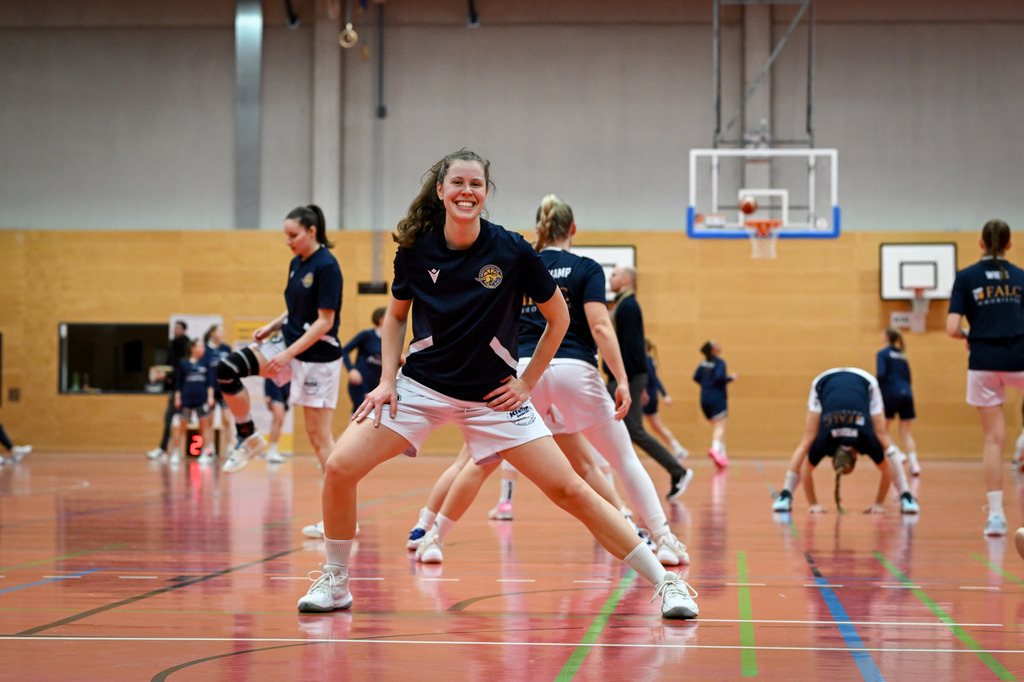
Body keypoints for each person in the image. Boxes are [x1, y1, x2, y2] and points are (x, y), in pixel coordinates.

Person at [296, 150, 697, 619]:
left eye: (476, 184)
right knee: (341, 467)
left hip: (493, 398)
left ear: (485, 193)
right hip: (422, 388)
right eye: (458, 183)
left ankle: (667, 583)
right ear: (442, 191)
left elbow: (560, 318)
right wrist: (387, 381)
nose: (467, 191)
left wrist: (527, 383)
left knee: (571, 489)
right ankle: (337, 582)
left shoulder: (511, 250)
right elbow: (395, 318)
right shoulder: (416, 249)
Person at [409, 194, 692, 567]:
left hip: (525, 371)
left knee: (481, 461)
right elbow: (601, 326)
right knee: (623, 458)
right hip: (576, 369)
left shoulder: (520, 264)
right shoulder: (587, 267)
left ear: (539, 229)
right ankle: (665, 539)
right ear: (573, 229)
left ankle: (433, 539)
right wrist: (620, 379)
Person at [215, 205, 343, 539]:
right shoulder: (296, 262)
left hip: (317, 357)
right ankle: (249, 436)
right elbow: (297, 306)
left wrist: (286, 355)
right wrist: (273, 324)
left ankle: (341, 518)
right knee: (227, 369)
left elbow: (324, 320)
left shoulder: (328, 265)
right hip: (287, 342)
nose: (287, 241)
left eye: (293, 235)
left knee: (319, 439)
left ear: (311, 231)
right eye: (285, 235)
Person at [946, 219, 1024, 537]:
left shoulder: (966, 278)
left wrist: (969, 334)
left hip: (983, 362)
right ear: (1009, 244)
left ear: (981, 243)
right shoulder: (1021, 277)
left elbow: (952, 328)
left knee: (993, 440)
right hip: (1020, 357)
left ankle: (995, 516)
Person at [770, 367, 920, 515]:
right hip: (835, 380)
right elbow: (888, 471)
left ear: (854, 457)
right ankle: (906, 494)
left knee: (807, 441)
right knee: (883, 437)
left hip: (845, 380)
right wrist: (877, 504)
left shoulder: (860, 441)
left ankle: (786, 494)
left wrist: (814, 504)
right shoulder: (829, 441)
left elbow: (805, 470)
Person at [606, 265, 693, 499]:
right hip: (626, 376)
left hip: (626, 376)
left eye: (614, 274)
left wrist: (631, 382)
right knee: (613, 428)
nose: (610, 278)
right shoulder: (622, 305)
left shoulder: (629, 306)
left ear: (626, 280)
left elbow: (634, 348)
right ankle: (616, 484)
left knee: (632, 429)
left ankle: (677, 471)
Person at [876, 327, 920, 476]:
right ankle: (914, 464)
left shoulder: (882, 354)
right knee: (906, 431)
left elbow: (881, 374)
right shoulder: (903, 355)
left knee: (882, 429)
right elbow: (909, 377)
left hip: (890, 393)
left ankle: (899, 455)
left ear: (886, 337)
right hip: (907, 393)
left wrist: (875, 389)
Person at [146, 320, 191, 460]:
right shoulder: (172, 345)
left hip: (184, 391)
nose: (175, 330)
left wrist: (168, 375)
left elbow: (179, 369)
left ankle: (175, 451)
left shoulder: (185, 347)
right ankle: (164, 449)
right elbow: (169, 367)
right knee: (168, 420)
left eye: (178, 328)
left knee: (185, 422)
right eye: (174, 328)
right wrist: (162, 375)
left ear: (183, 330)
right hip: (174, 389)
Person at [643, 339, 689, 462]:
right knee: (656, 426)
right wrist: (664, 395)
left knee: (632, 427)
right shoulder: (649, 359)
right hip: (649, 396)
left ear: (645, 346)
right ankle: (678, 448)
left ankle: (675, 449)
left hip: (646, 397)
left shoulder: (646, 359)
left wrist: (664, 395)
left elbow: (653, 379)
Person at [693, 339, 736, 470]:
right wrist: (731, 378)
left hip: (704, 397)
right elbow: (719, 377)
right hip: (716, 396)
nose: (719, 344)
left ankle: (723, 457)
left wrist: (707, 384)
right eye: (716, 344)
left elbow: (696, 377)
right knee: (720, 426)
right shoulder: (719, 362)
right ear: (713, 349)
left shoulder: (703, 363)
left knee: (718, 426)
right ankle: (716, 450)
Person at [173, 337, 216, 464]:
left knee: (204, 427)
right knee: (182, 426)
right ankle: (175, 452)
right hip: (187, 400)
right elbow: (178, 384)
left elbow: (210, 382)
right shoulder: (183, 363)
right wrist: (177, 398)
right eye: (200, 346)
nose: (203, 349)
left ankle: (204, 453)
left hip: (201, 400)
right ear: (193, 348)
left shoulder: (206, 363)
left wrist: (210, 397)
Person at [341, 307, 386, 413]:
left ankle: (349, 430)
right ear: (381, 319)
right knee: (363, 414)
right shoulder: (367, 335)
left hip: (376, 385)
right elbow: (344, 350)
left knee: (359, 416)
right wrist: (351, 369)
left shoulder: (391, 340)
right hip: (360, 383)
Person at [203, 323, 234, 459]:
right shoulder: (205, 350)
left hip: (225, 389)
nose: (222, 334)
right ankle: (210, 449)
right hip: (210, 389)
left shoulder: (226, 349)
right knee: (208, 421)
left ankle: (229, 448)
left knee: (227, 419)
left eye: (223, 331)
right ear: (212, 333)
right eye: (220, 331)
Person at [264, 378, 291, 464]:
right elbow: (267, 376)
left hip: (284, 393)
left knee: (280, 422)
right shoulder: (276, 365)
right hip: (274, 391)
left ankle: (273, 450)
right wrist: (267, 394)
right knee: (277, 420)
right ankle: (271, 451)